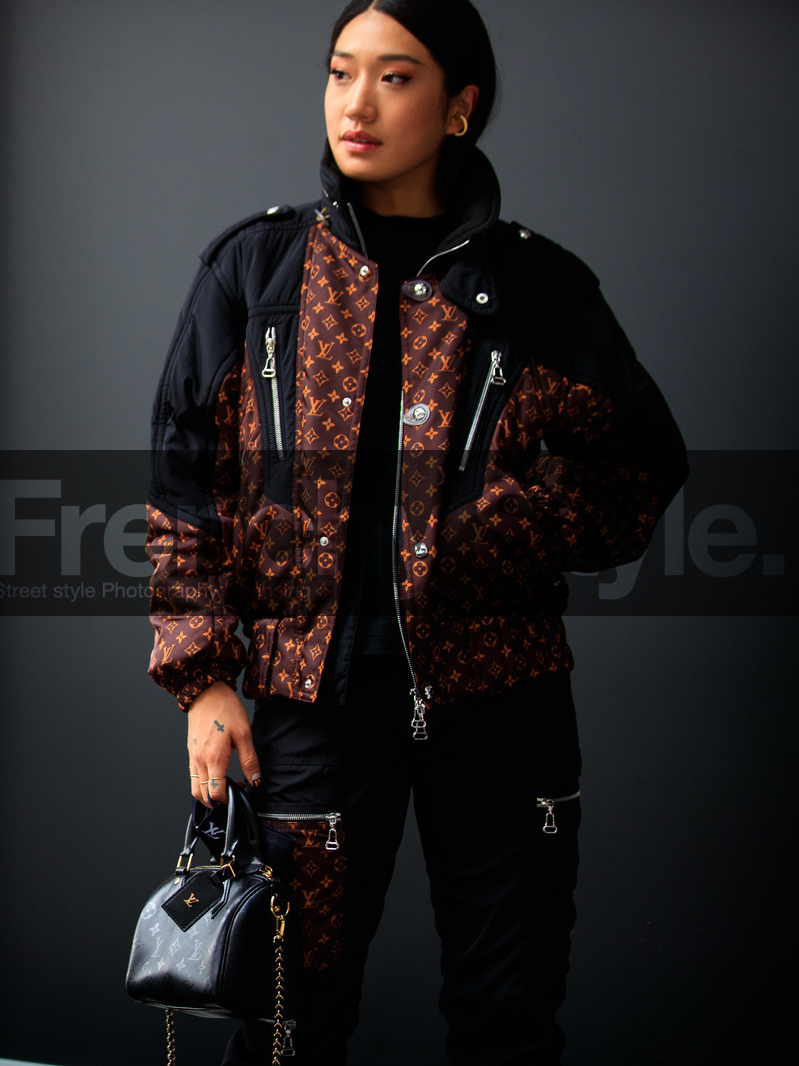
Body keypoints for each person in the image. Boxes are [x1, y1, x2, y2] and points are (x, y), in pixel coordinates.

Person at [142, 1, 689, 1062]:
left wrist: (495, 529)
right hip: (313, 713)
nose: (355, 102)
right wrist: (202, 679)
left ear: (459, 108)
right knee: (285, 1024)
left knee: (506, 1021)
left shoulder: (541, 290)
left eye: (394, 77)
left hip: (504, 711)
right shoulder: (257, 272)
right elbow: (181, 488)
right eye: (341, 71)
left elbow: (640, 464)